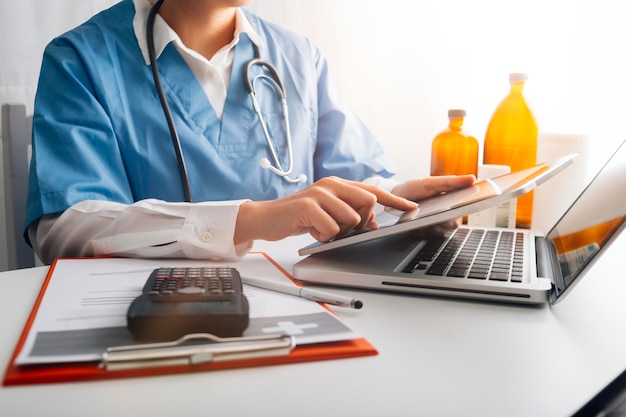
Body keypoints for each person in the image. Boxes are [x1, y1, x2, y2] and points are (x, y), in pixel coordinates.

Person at [25, 0, 474, 264]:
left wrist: (402, 201)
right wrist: (252, 220)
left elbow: (356, 183)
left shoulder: (299, 57)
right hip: (156, 322)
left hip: (306, 307)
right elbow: (66, 229)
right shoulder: (80, 59)